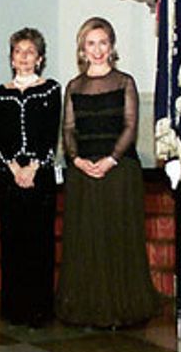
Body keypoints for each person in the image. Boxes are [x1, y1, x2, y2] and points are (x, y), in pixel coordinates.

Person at [55, 17, 159, 328]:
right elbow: (69, 130)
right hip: (83, 173)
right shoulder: (74, 86)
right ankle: (86, 308)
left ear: (111, 46)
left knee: (116, 239)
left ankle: (122, 308)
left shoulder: (125, 81)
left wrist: (111, 159)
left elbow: (130, 126)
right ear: (82, 49)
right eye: (91, 44)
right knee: (85, 241)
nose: (97, 50)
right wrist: (77, 160)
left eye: (103, 43)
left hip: (118, 172)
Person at [0, 28, 61, 328]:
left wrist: (33, 167)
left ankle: (39, 309)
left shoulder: (50, 89)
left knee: (39, 242)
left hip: (39, 176)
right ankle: (14, 308)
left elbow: (50, 134)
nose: (24, 57)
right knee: (13, 242)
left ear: (40, 58)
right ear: (11, 58)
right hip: (9, 177)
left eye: (30, 52)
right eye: (19, 52)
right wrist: (13, 168)